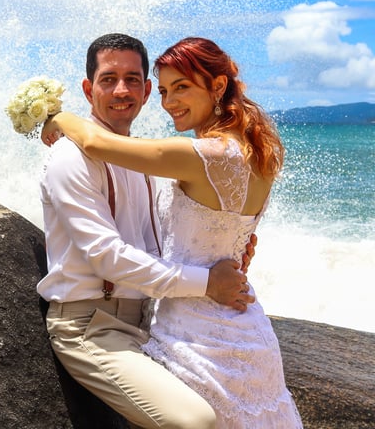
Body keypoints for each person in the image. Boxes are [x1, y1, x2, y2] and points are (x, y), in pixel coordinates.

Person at [42, 36, 303, 428]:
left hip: (157, 319)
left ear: (144, 91)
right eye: (108, 79)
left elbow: (177, 235)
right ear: (88, 88)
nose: (122, 90)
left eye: (134, 80)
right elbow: (107, 257)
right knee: (196, 421)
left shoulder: (164, 160)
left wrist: (231, 249)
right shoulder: (70, 156)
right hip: (93, 326)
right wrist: (211, 278)